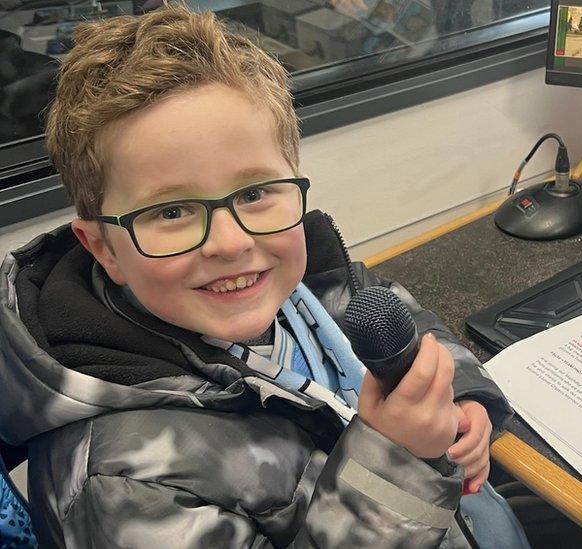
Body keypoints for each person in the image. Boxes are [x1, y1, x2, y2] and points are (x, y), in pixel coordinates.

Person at [0, 5, 524, 548]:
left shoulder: (309, 283)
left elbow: (396, 323)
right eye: (171, 212)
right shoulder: (122, 485)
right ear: (103, 247)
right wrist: (400, 465)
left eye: (254, 194)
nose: (231, 243)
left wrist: (464, 400)